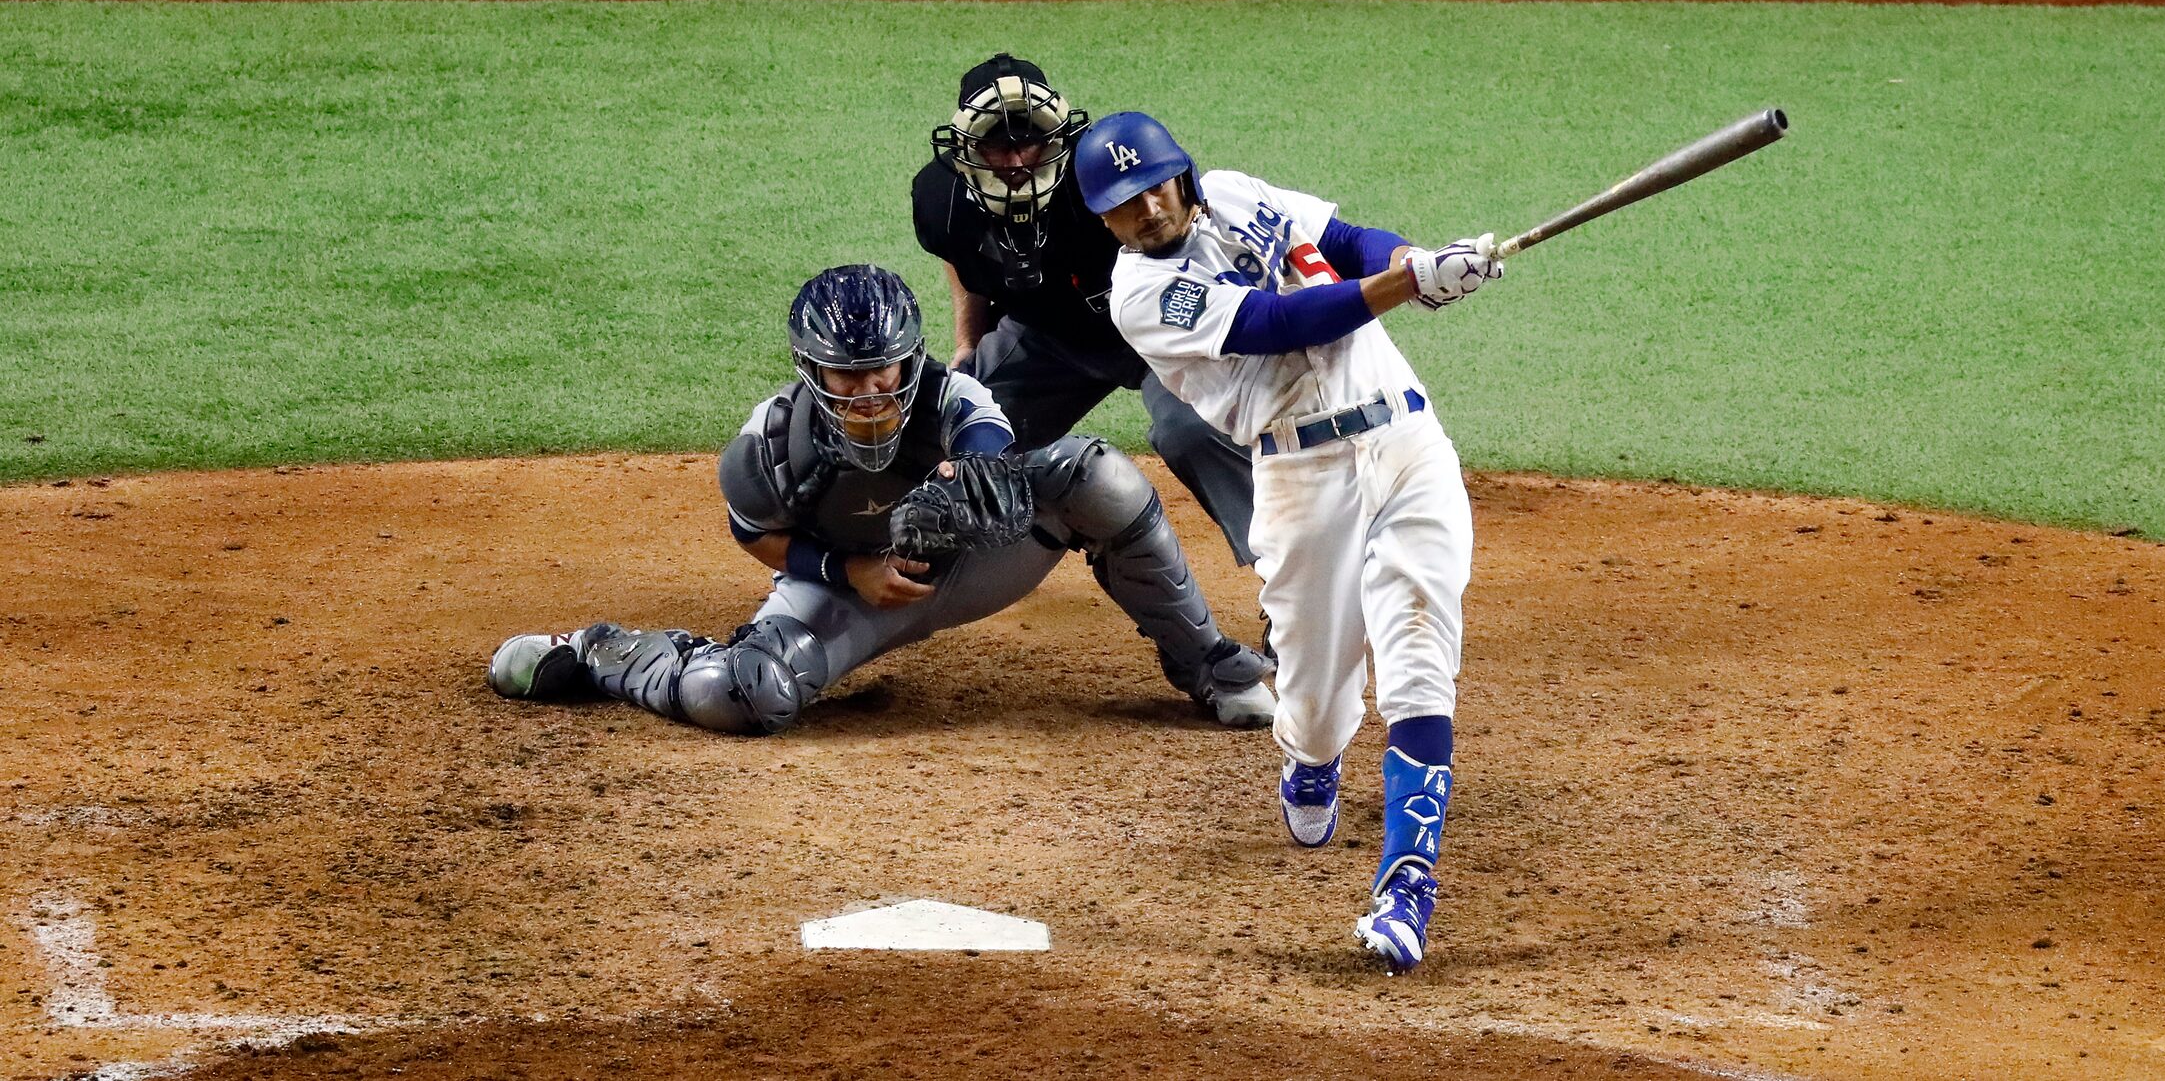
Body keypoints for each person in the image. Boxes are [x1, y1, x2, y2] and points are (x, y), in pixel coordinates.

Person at [485, 264, 1274, 733]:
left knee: (1095, 474)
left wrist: (967, 490)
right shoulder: (767, 445)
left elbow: (991, 453)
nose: (868, 393)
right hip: (849, 593)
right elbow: (755, 534)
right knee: (733, 697)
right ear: (812, 371)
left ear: (910, 362)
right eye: (847, 377)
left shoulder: (956, 399)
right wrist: (846, 569)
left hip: (972, 567)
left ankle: (1210, 666)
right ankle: (603, 652)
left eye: (884, 372)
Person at [1079, 112, 1502, 973]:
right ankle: (1310, 760)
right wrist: (1411, 283)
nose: (1150, 207)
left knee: (1420, 654)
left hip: (1410, 444)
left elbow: (1343, 238)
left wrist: (1410, 258)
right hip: (1303, 480)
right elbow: (1279, 322)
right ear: (1105, 219)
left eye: (1159, 184)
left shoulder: (1234, 194)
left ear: (1184, 175)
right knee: (1312, 700)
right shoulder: (1139, 296)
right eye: (1126, 203)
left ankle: (1406, 885)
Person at [913, 54, 1256, 566]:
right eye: (998, 146)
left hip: (1161, 331)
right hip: (1051, 339)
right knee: (955, 421)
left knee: (1195, 431)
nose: (1016, 162)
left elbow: (1189, 231)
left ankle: (1287, 583)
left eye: (1029, 140)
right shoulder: (941, 197)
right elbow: (958, 258)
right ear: (967, 148)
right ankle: (930, 558)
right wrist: (969, 341)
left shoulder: (1104, 168)